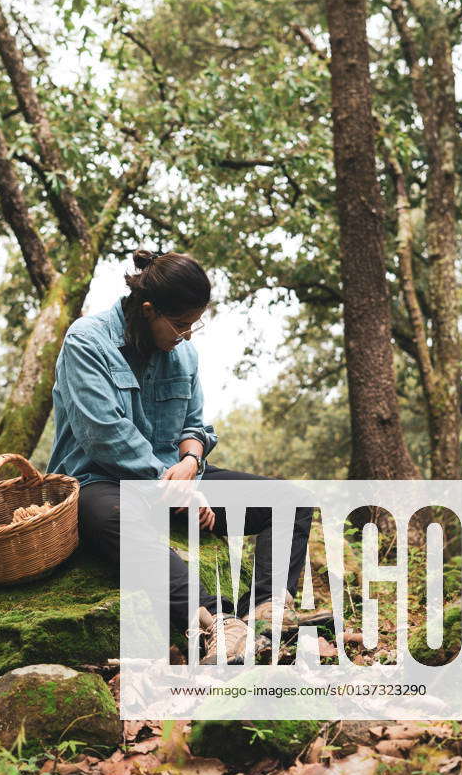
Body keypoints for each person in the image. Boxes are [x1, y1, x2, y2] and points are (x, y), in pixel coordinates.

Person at [47, 249, 330, 664]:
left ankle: (268, 615)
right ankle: (217, 623)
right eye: (180, 324)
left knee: (291, 500)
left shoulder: (184, 354)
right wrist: (174, 485)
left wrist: (192, 462)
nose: (188, 334)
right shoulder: (86, 342)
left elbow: (195, 425)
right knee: (116, 519)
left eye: (194, 323)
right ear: (148, 310)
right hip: (100, 481)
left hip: (178, 478)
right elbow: (104, 435)